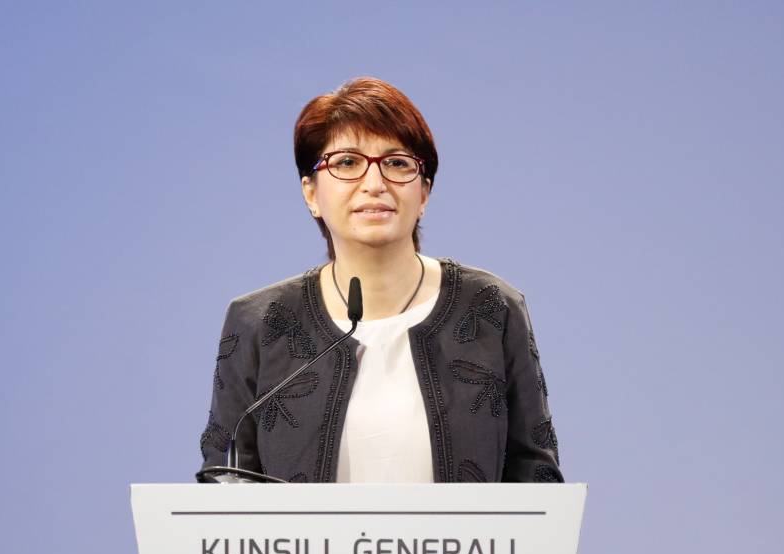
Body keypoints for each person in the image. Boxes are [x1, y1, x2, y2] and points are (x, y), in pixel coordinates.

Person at [199, 77, 562, 484]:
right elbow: (223, 480)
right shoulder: (260, 322)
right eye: (346, 163)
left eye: (397, 163)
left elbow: (537, 478)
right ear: (311, 193)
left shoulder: (491, 308)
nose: (374, 184)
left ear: (424, 193)